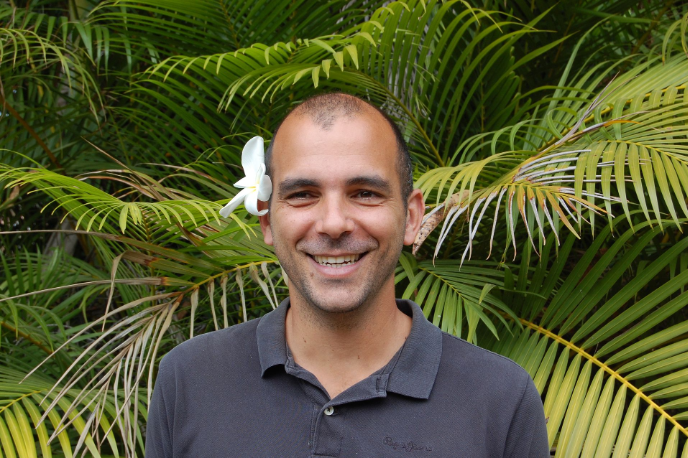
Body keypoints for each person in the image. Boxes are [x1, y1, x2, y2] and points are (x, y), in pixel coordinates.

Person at [145, 93, 550, 457]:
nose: (334, 223)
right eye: (303, 195)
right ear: (267, 220)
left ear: (411, 218)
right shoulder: (190, 379)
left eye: (365, 193)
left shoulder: (501, 399)